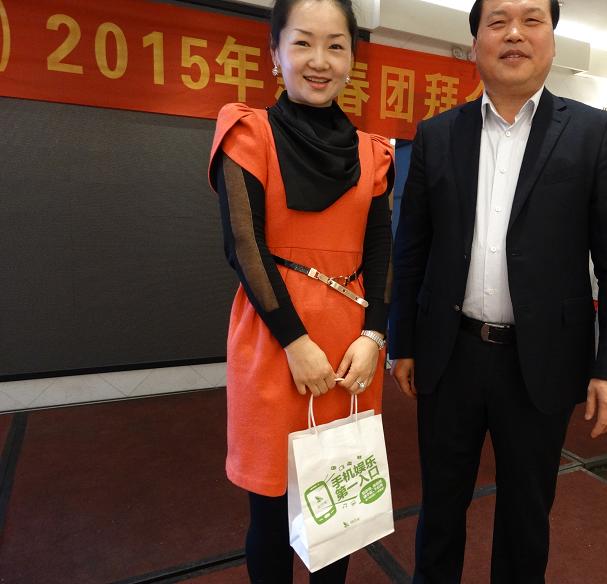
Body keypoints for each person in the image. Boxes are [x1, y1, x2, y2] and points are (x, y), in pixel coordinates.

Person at [388, 0, 607, 582]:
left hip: (542, 359)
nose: (515, 35)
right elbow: (411, 249)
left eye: (532, 20)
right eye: (498, 21)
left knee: (527, 515)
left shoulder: (594, 133)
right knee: (440, 507)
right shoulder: (437, 135)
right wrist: (403, 341)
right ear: (475, 40)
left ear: (552, 38)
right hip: (449, 353)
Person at [207, 1, 393, 581]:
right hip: (276, 339)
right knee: (271, 510)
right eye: (303, 43)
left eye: (336, 46)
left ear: (352, 59)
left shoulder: (373, 152)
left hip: (351, 349)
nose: (320, 60)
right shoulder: (248, 133)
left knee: (339, 506)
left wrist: (375, 335)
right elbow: (245, 246)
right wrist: (294, 341)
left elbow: (383, 252)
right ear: (275, 54)